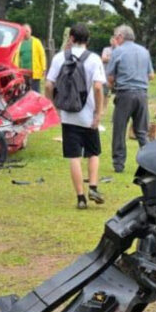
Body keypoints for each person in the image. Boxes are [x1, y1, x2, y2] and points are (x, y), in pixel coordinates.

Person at [44, 23, 108, 209]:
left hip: (68, 115)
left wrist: (53, 106)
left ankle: (80, 198)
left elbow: (48, 85)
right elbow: (97, 87)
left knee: (74, 156)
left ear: (70, 38)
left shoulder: (58, 58)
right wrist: (98, 112)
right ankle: (93, 186)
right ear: (88, 40)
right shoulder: (94, 59)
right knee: (93, 152)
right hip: (87, 115)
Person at [105, 24, 154, 173]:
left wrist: (114, 86)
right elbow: (151, 75)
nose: (115, 39)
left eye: (115, 36)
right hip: (142, 94)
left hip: (125, 93)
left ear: (120, 37)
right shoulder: (144, 51)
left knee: (119, 130)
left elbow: (110, 77)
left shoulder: (118, 51)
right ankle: (150, 163)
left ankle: (119, 164)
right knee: (142, 131)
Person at [17, 24, 47, 92]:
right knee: (24, 91)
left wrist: (44, 68)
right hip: (22, 72)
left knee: (35, 91)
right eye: (24, 31)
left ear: (31, 31)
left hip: (34, 71)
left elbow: (42, 55)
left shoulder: (36, 42)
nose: (26, 33)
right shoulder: (19, 43)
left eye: (27, 31)